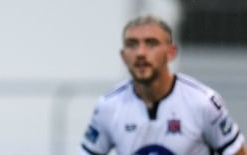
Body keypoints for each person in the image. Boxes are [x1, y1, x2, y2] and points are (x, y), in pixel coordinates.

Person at [79, 14, 246, 155]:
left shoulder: (203, 103)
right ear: (123, 56)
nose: (140, 53)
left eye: (151, 43)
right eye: (132, 44)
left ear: (171, 52)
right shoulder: (109, 106)